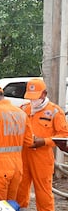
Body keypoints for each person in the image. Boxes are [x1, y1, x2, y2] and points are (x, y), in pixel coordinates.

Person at [16, 78, 68, 211]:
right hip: (23, 156)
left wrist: (43, 141)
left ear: (44, 94)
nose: (33, 100)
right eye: (30, 97)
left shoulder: (55, 111)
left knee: (43, 192)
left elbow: (64, 135)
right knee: (20, 190)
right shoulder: (23, 109)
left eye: (36, 97)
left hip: (42, 157)